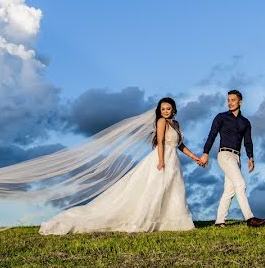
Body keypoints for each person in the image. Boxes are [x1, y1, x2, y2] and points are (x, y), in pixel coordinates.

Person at [38, 97, 202, 234]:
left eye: (168, 109)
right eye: (163, 109)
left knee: (173, 189)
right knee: (157, 189)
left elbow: (179, 145)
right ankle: (148, 220)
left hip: (174, 159)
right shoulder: (161, 122)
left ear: (174, 109)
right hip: (163, 158)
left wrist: (194, 157)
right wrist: (161, 161)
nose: (165, 111)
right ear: (160, 111)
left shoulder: (176, 124)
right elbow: (160, 142)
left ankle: (172, 222)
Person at [200, 90, 265, 227]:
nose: (230, 103)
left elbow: (248, 141)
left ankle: (219, 221)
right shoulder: (221, 117)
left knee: (230, 190)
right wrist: (206, 152)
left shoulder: (245, 122)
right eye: (228, 100)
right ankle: (250, 218)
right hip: (224, 155)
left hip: (236, 157)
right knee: (241, 184)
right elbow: (212, 135)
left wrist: (251, 157)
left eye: (233, 100)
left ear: (240, 102)